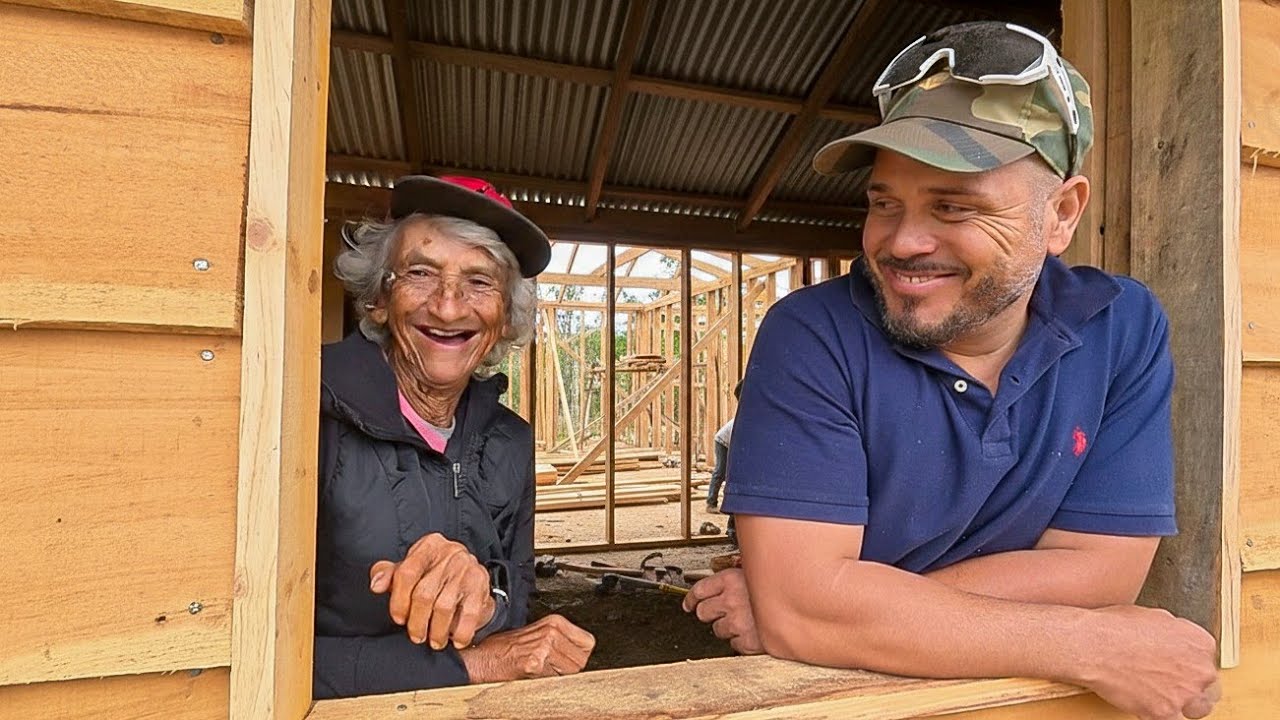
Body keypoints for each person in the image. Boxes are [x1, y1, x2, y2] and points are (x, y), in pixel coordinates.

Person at [683, 21, 1221, 720]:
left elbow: (1104, 569)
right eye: (884, 203)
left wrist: (840, 611)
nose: (903, 242)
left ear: (1061, 214)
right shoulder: (812, 334)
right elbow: (806, 611)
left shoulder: (1121, 325)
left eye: (953, 205)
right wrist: (1090, 644)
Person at [315, 175, 595, 699]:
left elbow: (517, 593)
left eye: (480, 282)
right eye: (421, 273)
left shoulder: (510, 440)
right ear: (379, 299)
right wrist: (473, 664)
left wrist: (487, 604)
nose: (448, 307)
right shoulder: (305, 414)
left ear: (505, 318)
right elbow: (253, 650)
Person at [704, 381, 743, 513]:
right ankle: (711, 503)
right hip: (722, 441)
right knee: (720, 472)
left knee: (730, 474)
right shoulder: (747, 414)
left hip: (729, 441)